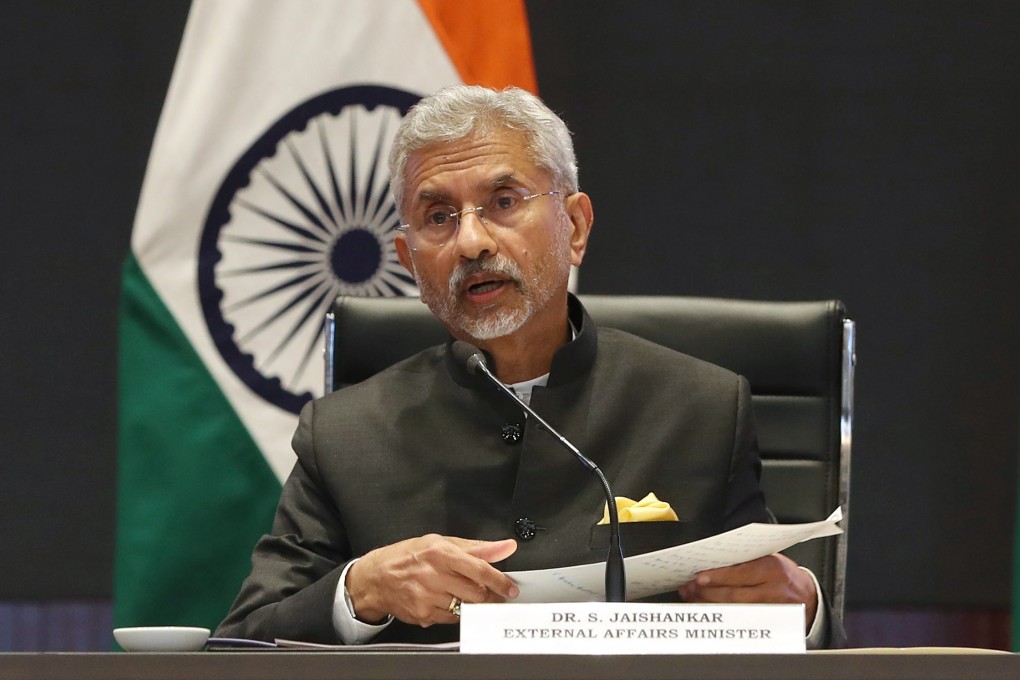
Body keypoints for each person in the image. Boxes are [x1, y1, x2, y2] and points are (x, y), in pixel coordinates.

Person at [217, 85, 845, 648]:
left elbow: (776, 614)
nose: (471, 242)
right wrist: (360, 590)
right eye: (439, 217)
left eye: (503, 201)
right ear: (409, 260)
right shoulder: (343, 433)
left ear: (574, 227)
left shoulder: (702, 408)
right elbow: (241, 642)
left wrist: (802, 609)